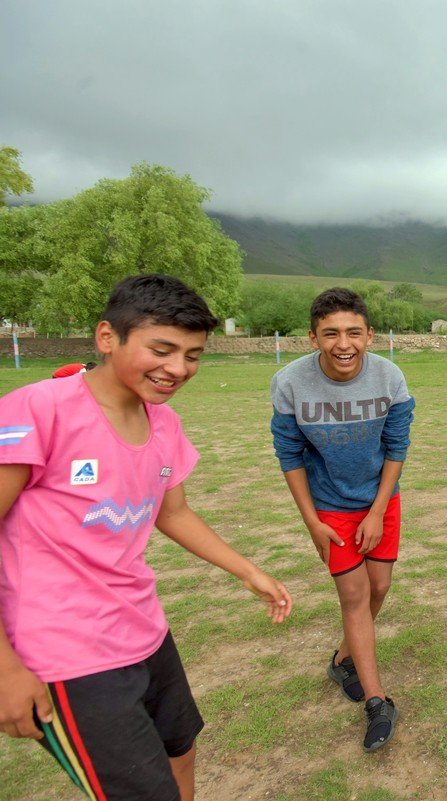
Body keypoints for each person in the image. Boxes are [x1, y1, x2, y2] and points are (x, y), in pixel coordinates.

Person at [0, 274, 293, 801]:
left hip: (144, 630)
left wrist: (250, 571)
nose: (178, 369)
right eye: (162, 349)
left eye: (193, 355)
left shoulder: (163, 422)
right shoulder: (38, 410)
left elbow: (173, 512)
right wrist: (4, 668)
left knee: (181, 752)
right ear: (107, 337)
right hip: (66, 656)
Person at [270, 287, 415, 751]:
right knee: (354, 596)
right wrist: (312, 521)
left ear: (370, 335)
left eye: (354, 332)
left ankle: (342, 658)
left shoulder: (389, 377)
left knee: (379, 588)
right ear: (312, 337)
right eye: (330, 333)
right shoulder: (290, 383)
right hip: (329, 505)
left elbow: (397, 447)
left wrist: (376, 511)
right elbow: (289, 455)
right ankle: (376, 701)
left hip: (380, 500)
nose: (343, 343)